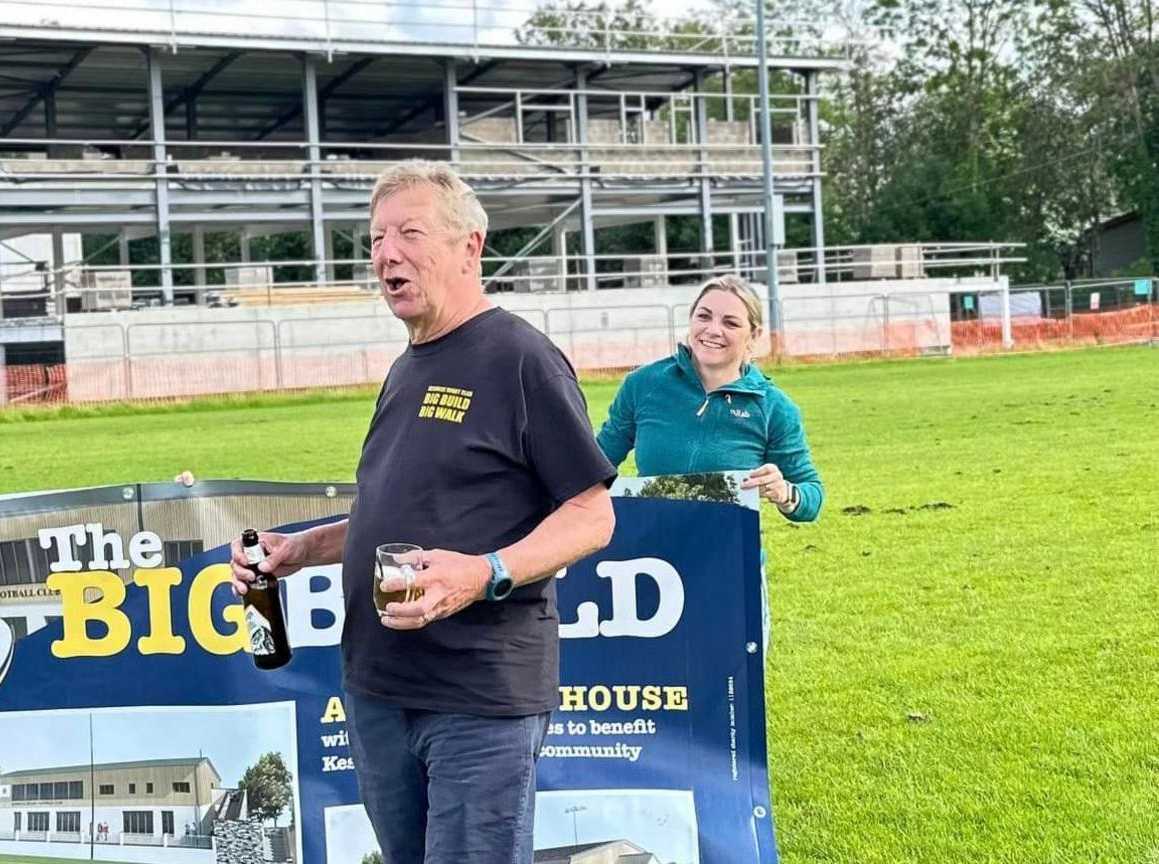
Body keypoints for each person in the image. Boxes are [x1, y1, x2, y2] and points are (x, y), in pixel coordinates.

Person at [229, 161, 616, 864]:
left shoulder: (520, 359)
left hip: (476, 698)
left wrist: (485, 572)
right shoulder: (409, 365)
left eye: (410, 233)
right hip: (380, 691)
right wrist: (302, 549)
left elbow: (592, 515)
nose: (386, 255)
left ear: (471, 245)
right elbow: (402, 515)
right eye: (376, 240)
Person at [595, 273, 825, 644]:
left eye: (730, 322)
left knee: (731, 698)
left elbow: (812, 498)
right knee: (659, 692)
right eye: (704, 316)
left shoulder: (773, 408)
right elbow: (596, 463)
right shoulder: (644, 385)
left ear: (753, 335)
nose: (712, 330)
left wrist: (784, 492)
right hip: (648, 568)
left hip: (731, 573)